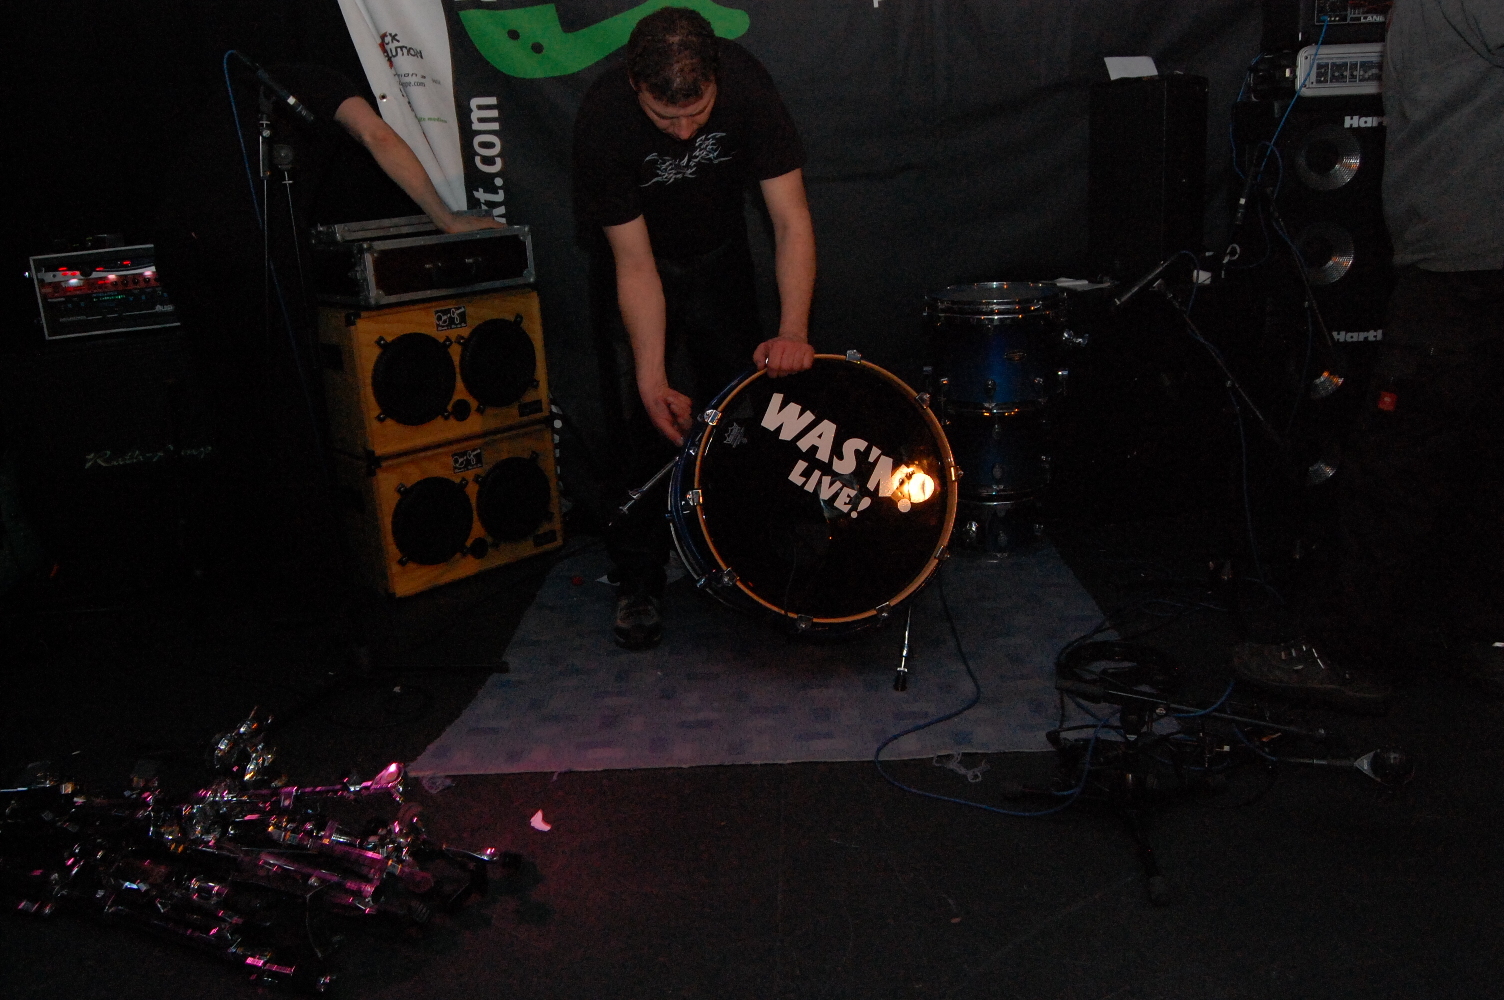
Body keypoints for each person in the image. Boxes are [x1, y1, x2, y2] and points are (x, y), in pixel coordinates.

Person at [1232, 0, 1504, 710]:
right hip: (1464, 254)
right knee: (1477, 459)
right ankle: (1483, 635)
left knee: (1399, 463)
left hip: (1465, 261)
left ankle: (1349, 653)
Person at [153, 64, 502, 571]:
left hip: (188, 245)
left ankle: (257, 554)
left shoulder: (242, 79)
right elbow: (377, 135)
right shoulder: (302, 65)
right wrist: (446, 218)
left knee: (238, 407)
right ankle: (304, 556)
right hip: (239, 247)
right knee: (285, 405)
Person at [572, 8, 816, 649]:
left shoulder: (749, 86)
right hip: (638, 264)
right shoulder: (603, 118)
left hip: (718, 259)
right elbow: (635, 264)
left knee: (742, 415)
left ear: (716, 78)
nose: (683, 131)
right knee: (639, 421)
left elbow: (790, 220)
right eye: (664, 118)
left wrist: (793, 330)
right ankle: (638, 582)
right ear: (635, 85)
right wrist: (652, 377)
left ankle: (747, 563)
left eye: (698, 112)